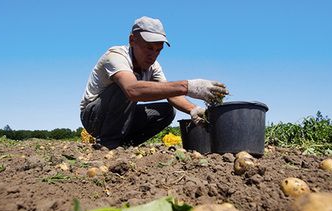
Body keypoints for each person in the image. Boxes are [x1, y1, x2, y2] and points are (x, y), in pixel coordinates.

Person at [80, 16, 228, 149]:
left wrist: (193, 109)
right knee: (128, 88)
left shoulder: (153, 67)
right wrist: (188, 86)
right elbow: (132, 90)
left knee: (167, 111)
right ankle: (108, 143)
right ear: (132, 40)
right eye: (149, 48)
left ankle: (123, 146)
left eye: (158, 50)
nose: (153, 55)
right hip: (93, 116)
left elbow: (170, 94)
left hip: (122, 117)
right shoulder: (116, 56)